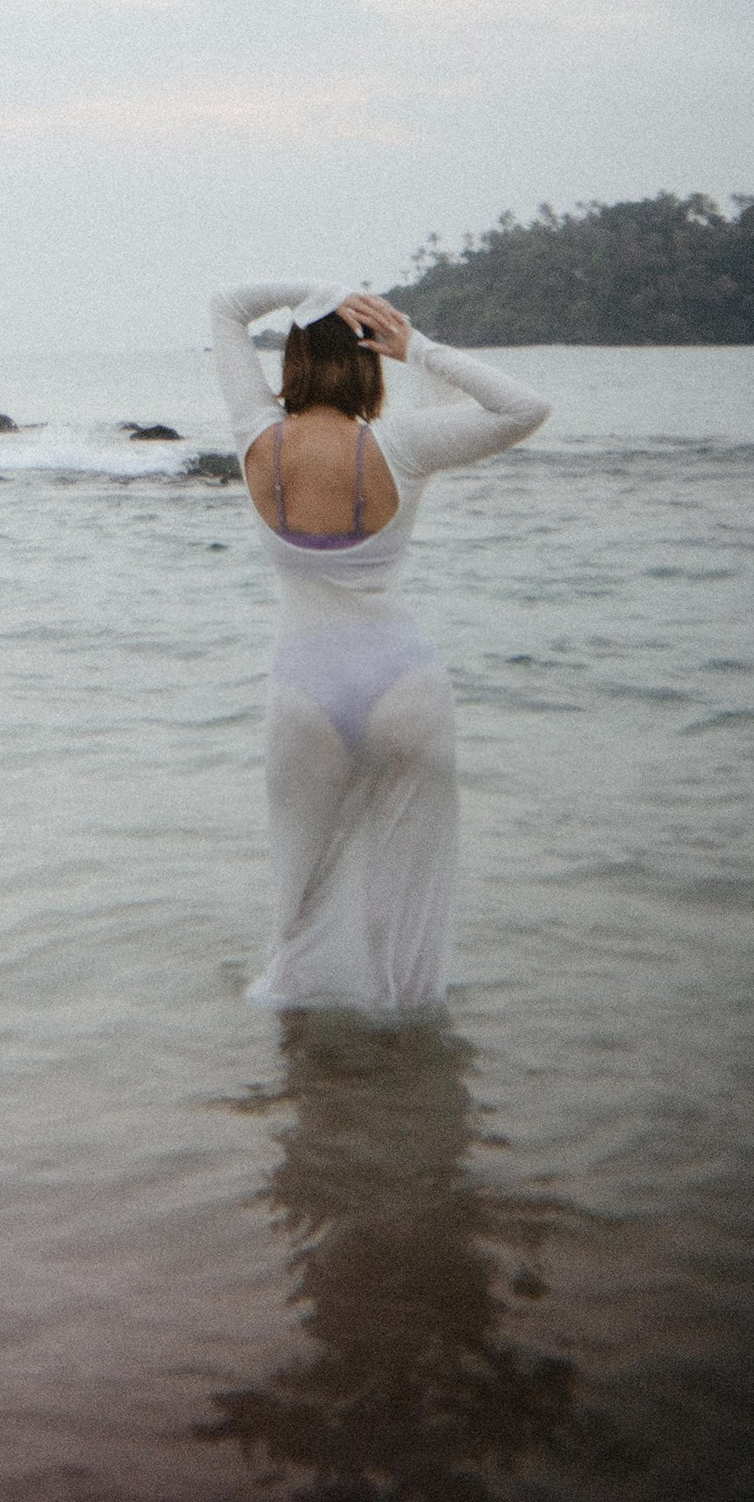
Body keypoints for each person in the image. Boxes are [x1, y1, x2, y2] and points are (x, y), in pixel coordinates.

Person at [210, 282, 551, 1013]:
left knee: (296, 900)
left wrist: (317, 293)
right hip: (404, 684)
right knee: (411, 899)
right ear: (372, 360)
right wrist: (417, 346)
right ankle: (409, 1056)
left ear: (294, 357)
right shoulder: (400, 445)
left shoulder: (254, 436)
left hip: (304, 691)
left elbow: (228, 304)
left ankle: (299, 1069)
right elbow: (526, 408)